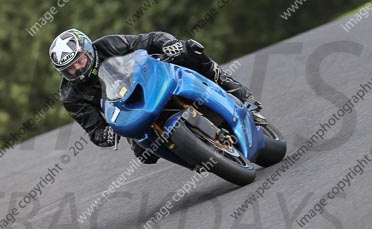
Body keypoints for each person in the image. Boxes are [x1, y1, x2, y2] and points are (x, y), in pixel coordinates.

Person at [49, 29, 259, 163]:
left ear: (88, 50)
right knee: (145, 155)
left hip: (149, 81)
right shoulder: (70, 95)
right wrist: (105, 135)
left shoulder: (108, 44)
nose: (78, 69)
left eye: (80, 61)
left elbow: (148, 40)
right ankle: (197, 154)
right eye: (70, 69)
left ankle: (231, 86)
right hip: (129, 111)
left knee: (189, 51)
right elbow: (93, 128)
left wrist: (167, 43)